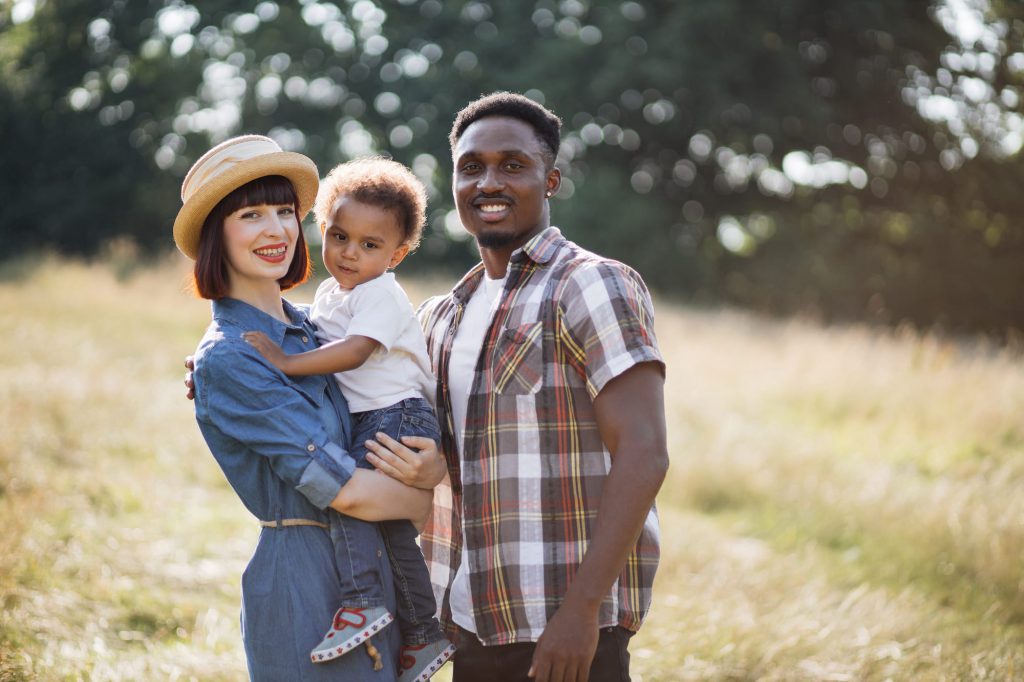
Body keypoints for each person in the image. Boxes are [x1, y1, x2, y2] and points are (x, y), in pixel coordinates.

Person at [410, 92, 668, 682]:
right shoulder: (442, 315)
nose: (489, 182)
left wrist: (581, 612)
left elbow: (645, 452)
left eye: (512, 165)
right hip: (471, 621)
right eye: (471, 167)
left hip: (568, 631)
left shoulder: (591, 285)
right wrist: (239, 364)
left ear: (550, 180)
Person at [175, 134, 446, 681]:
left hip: (376, 571)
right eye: (250, 214)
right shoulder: (229, 356)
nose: (276, 230)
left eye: (284, 211)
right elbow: (345, 490)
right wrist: (420, 500)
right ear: (215, 236)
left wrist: (434, 465)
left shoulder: (312, 328)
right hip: (305, 581)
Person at [242, 157, 456, 679]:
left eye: (370, 245)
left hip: (397, 415)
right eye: (339, 236)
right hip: (374, 418)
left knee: (348, 496)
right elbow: (304, 329)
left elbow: (355, 351)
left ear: (397, 253)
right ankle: (425, 633)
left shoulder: (381, 294)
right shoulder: (334, 293)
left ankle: (363, 601)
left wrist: (287, 364)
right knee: (392, 531)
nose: (350, 254)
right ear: (322, 229)